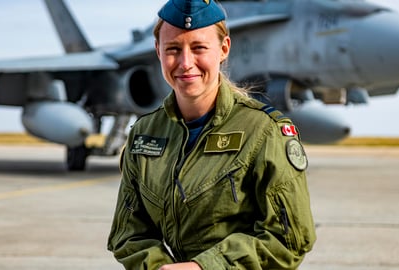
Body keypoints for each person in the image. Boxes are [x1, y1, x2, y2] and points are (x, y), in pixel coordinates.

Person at [107, 0, 316, 269]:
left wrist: (205, 267)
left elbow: (289, 240)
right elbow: (129, 233)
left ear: (224, 49)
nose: (185, 63)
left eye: (199, 48)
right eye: (173, 49)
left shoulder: (265, 132)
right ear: (158, 51)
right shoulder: (144, 134)